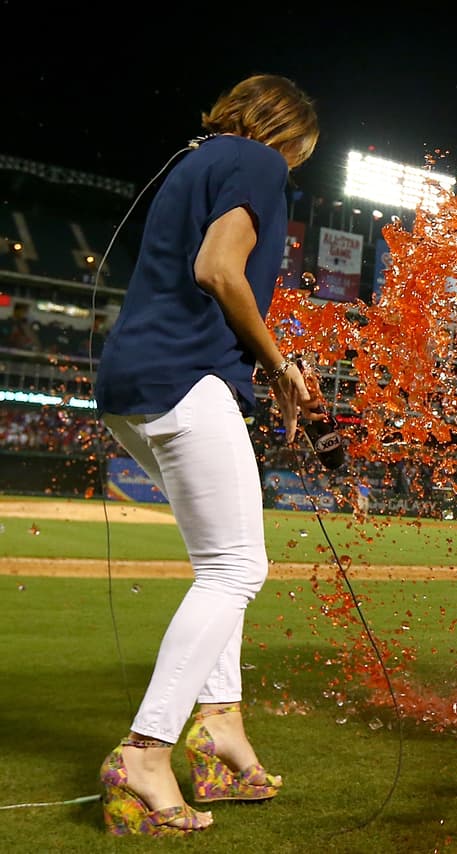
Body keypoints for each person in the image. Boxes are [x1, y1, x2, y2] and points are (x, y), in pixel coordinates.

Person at [92, 74, 321, 835]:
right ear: (286, 135)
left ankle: (220, 728)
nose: (295, 169)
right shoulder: (259, 162)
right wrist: (281, 364)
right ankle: (147, 751)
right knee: (237, 569)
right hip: (185, 379)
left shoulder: (194, 159)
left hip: (132, 380)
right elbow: (218, 270)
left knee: (221, 562)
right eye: (302, 156)